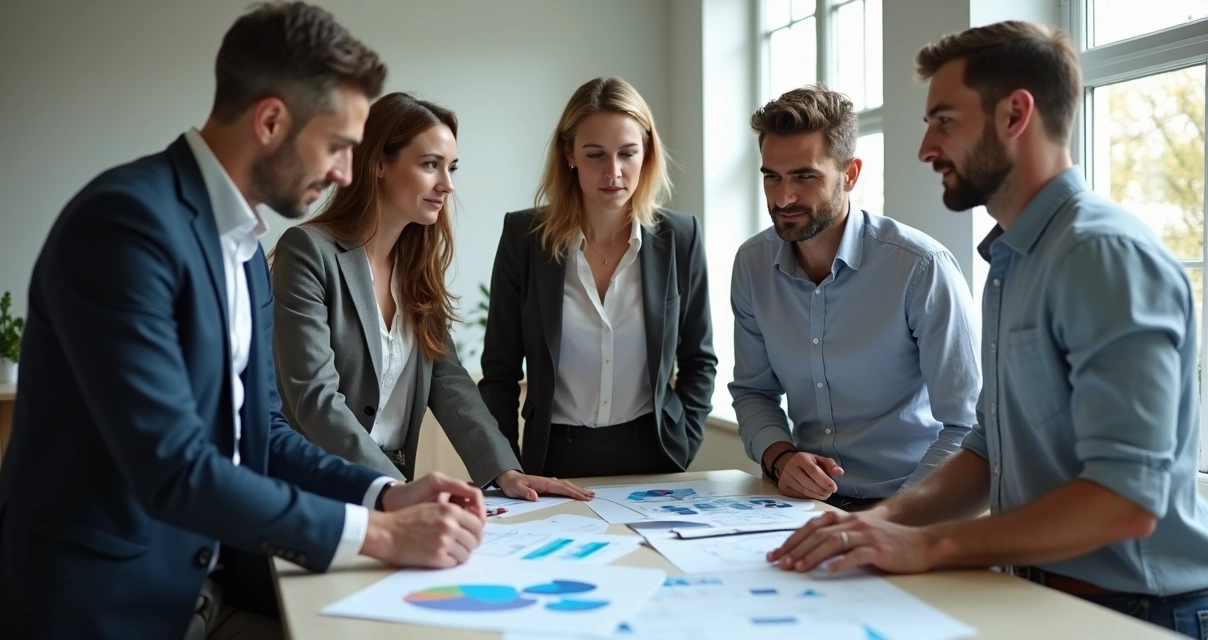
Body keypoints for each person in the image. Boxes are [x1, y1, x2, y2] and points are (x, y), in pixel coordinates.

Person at [0, 4, 488, 639]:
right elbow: (175, 466)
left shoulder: (249, 247)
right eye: (337, 146)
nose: (344, 173)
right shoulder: (124, 227)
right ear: (272, 120)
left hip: (214, 582)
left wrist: (384, 495)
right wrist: (380, 532)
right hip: (102, 602)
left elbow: (266, 436)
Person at [768, 21, 1208, 637]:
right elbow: (987, 443)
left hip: (1137, 612)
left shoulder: (1102, 255)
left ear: (1015, 114)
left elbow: (1126, 500)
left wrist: (933, 545)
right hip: (1035, 595)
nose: (925, 148)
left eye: (943, 120)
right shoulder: (1012, 260)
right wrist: (881, 523)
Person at [270, 92, 591, 502]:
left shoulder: (417, 264)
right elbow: (315, 399)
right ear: (379, 164)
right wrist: (397, 492)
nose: (448, 184)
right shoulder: (309, 251)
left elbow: (448, 378)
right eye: (430, 165)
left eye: (452, 167)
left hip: (393, 489)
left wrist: (504, 470)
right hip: (313, 491)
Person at [731, 85, 980, 511]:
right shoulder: (752, 264)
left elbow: (967, 424)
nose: (783, 198)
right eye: (772, 176)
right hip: (801, 507)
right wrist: (780, 457)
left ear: (850, 174)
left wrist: (890, 521)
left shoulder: (921, 268)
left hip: (912, 506)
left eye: (804, 176)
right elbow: (754, 392)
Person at [478, 77, 717, 478]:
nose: (614, 172)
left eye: (628, 154)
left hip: (656, 457)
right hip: (552, 461)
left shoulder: (682, 237)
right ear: (568, 153)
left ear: (648, 153)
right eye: (595, 155)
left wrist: (687, 439)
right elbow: (500, 370)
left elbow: (699, 359)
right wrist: (506, 468)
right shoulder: (524, 238)